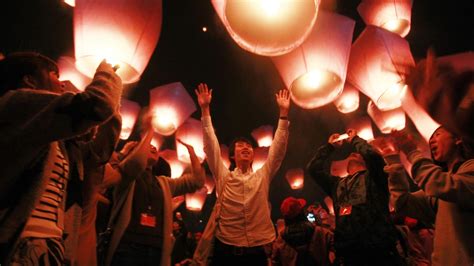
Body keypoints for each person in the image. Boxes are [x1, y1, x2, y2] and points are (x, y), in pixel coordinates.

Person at [0, 52, 122, 265]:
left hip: (52, 244)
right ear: (29, 80)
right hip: (21, 244)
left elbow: (97, 152)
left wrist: (114, 100)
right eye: (55, 74)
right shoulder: (16, 104)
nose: (63, 82)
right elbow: (96, 105)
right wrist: (105, 72)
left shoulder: (56, 140)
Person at [193, 83, 290, 265]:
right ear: (232, 155)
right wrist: (205, 109)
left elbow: (277, 151)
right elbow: (211, 146)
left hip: (257, 252)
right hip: (226, 251)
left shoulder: (262, 176)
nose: (245, 147)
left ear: (253, 154)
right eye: (240, 145)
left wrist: (283, 115)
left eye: (248, 146)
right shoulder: (224, 177)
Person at [104, 123, 205, 266]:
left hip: (156, 248)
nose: (153, 147)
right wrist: (151, 129)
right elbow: (136, 163)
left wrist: (192, 153)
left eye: (154, 146)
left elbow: (197, 181)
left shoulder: (163, 183)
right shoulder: (125, 176)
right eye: (147, 146)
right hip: (128, 245)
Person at [306, 129, 402, 265]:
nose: (352, 153)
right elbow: (313, 169)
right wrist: (329, 147)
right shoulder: (337, 184)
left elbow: (373, 156)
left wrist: (356, 139)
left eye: (357, 154)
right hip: (349, 255)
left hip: (379, 253)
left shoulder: (375, 178)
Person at [392, 127, 474, 265]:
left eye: (437, 135)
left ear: (458, 139)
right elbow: (403, 204)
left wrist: (413, 152)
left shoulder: (470, 169)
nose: (431, 141)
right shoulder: (447, 180)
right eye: (431, 138)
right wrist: (393, 162)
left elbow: (438, 184)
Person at [271, 197, 334, 266]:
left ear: (286, 218)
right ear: (302, 212)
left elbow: (275, 262)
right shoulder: (319, 231)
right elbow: (337, 245)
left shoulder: (281, 240)